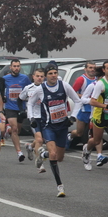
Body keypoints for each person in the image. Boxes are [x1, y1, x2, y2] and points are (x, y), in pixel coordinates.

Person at [29, 64, 81, 197]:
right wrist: (31, 118)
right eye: (51, 73)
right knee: (53, 155)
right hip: (48, 126)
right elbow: (30, 103)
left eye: (55, 73)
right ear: (46, 75)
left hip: (63, 126)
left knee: (60, 157)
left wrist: (73, 117)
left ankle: (42, 155)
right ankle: (60, 186)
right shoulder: (41, 89)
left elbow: (78, 101)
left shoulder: (64, 85)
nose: (53, 75)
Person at [18, 68, 46, 173]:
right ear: (33, 77)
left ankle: (30, 147)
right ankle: (40, 163)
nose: (39, 78)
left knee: (41, 139)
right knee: (39, 140)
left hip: (44, 117)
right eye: (37, 76)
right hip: (34, 117)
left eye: (41, 76)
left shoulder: (46, 88)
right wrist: (22, 111)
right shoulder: (28, 88)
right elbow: (20, 99)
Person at [3, 59, 31, 162]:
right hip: (10, 107)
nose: (16, 68)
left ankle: (8, 130)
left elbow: (30, 89)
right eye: (14, 66)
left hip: (20, 108)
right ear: (10, 67)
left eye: (18, 66)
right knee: (15, 129)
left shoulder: (24, 78)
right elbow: (0, 89)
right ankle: (19, 152)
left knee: (17, 131)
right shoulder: (5, 79)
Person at [79, 66, 107, 169]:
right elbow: (88, 100)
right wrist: (103, 105)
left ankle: (99, 156)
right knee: (96, 140)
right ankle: (87, 150)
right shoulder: (95, 85)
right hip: (98, 115)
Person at [67, 61, 96, 148]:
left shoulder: (97, 79)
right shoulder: (81, 79)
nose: (92, 70)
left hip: (94, 109)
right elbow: (72, 93)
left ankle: (87, 148)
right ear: (85, 69)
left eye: (94, 68)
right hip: (83, 109)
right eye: (90, 68)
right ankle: (70, 136)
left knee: (92, 132)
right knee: (80, 132)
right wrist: (84, 96)